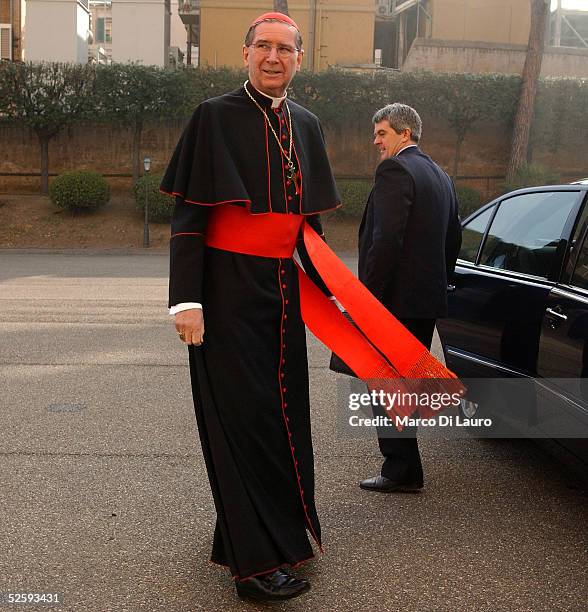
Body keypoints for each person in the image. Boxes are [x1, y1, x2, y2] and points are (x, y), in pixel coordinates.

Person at [160, 12, 341, 602]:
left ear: (299, 58)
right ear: (245, 54)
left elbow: (305, 223)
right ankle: (256, 567)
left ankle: (262, 538)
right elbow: (189, 218)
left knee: (283, 415)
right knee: (241, 420)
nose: (272, 57)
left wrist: (334, 287)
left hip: (284, 293)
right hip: (225, 289)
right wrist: (186, 302)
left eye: (284, 49)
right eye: (262, 46)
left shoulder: (307, 123)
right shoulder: (213, 116)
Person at [358, 103, 462, 494]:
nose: (376, 141)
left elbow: (385, 241)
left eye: (382, 133)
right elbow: (453, 239)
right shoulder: (440, 175)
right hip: (424, 301)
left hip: (393, 304)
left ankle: (401, 469)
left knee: (386, 383)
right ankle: (405, 466)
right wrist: (438, 283)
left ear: (404, 134)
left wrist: (366, 299)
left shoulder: (395, 169)